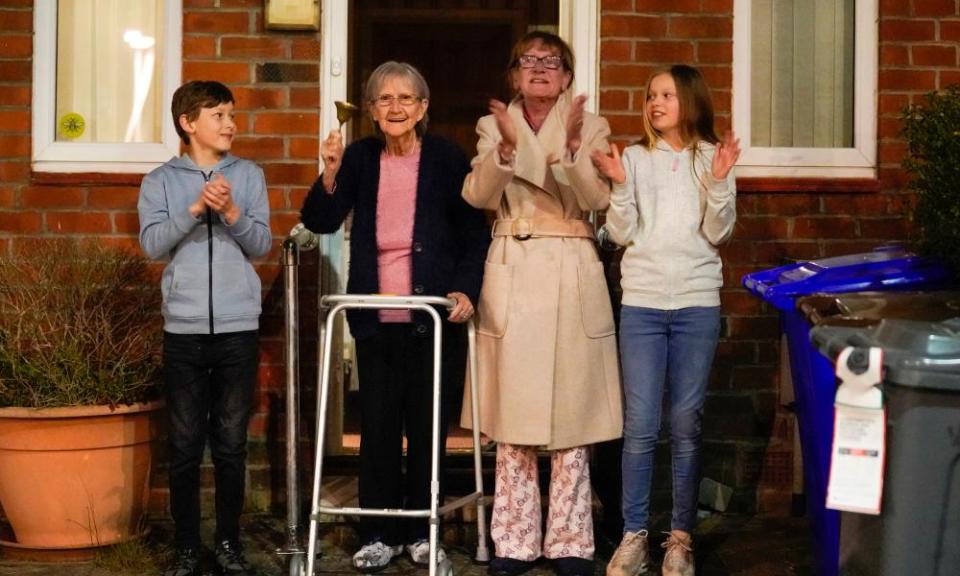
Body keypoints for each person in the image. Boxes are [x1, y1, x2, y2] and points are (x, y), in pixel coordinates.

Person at [300, 61, 489, 572]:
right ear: (371, 111)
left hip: (431, 315)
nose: (396, 107)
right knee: (379, 427)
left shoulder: (448, 158)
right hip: (375, 314)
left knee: (428, 427)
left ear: (423, 108)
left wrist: (465, 289)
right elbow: (317, 219)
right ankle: (380, 533)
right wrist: (331, 171)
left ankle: (423, 532)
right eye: (384, 99)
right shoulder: (360, 157)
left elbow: (476, 234)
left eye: (407, 99)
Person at [459, 31, 622, 576]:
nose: (539, 69)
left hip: (571, 265)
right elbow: (476, 197)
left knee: (572, 414)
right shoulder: (492, 124)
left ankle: (573, 541)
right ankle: (514, 539)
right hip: (514, 262)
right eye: (528, 61)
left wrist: (574, 151)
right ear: (513, 75)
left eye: (551, 62)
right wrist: (504, 154)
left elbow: (600, 200)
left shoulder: (592, 124)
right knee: (513, 414)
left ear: (567, 77)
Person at [592, 64, 740, 576]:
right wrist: (617, 184)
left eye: (668, 95)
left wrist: (719, 182)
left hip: (697, 303)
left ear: (691, 101)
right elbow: (621, 230)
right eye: (651, 95)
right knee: (640, 426)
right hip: (644, 305)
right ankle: (634, 536)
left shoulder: (710, 158)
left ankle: (680, 538)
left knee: (685, 423)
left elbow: (719, 232)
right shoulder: (633, 158)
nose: (656, 103)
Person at [138, 80, 271, 576]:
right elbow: (152, 243)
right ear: (187, 123)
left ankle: (230, 542)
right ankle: (188, 545)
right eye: (217, 115)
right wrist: (195, 207)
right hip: (185, 329)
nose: (230, 124)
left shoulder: (249, 175)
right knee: (185, 443)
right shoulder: (161, 180)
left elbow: (260, 244)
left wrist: (232, 212)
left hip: (238, 327)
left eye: (231, 114)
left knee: (232, 443)